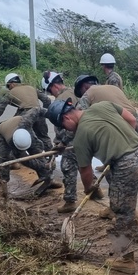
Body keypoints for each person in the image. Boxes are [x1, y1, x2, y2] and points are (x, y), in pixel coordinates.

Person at [47, 99, 138, 273]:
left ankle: (126, 260)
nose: (67, 130)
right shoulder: (103, 105)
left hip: (125, 166)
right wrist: (124, 143)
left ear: (66, 118)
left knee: (123, 212)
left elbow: (85, 170)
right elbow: (132, 120)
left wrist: (90, 188)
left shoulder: (81, 137)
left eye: (64, 126)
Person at [41, 71, 87, 213]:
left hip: (71, 138)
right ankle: (94, 189)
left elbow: (63, 126)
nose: (52, 94)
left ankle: (70, 200)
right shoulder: (73, 92)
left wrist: (61, 143)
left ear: (53, 86)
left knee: (68, 167)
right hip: (83, 134)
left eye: (50, 91)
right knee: (83, 163)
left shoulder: (60, 99)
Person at [0, 108, 59, 198]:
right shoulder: (11, 142)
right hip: (5, 131)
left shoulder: (26, 123)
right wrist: (43, 166)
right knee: (2, 159)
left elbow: (37, 110)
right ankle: (4, 189)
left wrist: (52, 115)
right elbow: (27, 161)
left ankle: (48, 178)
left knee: (37, 149)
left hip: (22, 126)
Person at [0, 72, 54, 155]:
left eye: (8, 86)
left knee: (15, 135)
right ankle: (51, 157)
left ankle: (21, 156)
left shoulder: (10, 93)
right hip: (39, 112)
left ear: (12, 84)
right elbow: (47, 100)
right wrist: (44, 112)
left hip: (26, 114)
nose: (8, 88)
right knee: (44, 137)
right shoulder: (32, 88)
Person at [74, 74, 138, 133]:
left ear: (84, 87)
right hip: (137, 123)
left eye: (81, 93)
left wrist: (65, 141)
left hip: (121, 125)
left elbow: (78, 118)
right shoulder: (112, 88)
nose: (82, 96)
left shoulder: (87, 94)